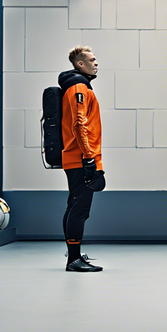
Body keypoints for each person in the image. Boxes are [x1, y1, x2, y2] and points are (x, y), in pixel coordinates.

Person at [59, 46, 105, 272]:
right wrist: (89, 159)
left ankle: (74, 254)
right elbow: (80, 124)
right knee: (80, 209)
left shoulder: (80, 86)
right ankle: (73, 260)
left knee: (74, 206)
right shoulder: (79, 87)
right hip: (81, 158)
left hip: (78, 157)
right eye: (92, 60)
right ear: (80, 64)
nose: (96, 63)